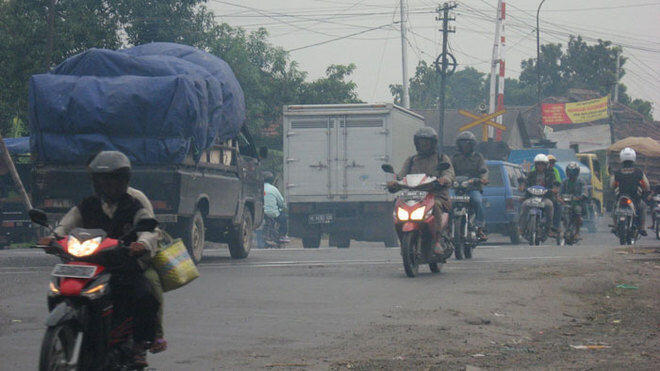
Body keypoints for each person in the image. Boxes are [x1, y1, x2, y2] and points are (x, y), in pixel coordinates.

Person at [37, 151, 163, 367]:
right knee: (59, 284)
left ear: (124, 181)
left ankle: (139, 345)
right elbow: (67, 223)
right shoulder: (87, 204)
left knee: (144, 293)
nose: (108, 185)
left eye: (113, 180)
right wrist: (54, 237)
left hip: (122, 263)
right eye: (102, 180)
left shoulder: (134, 204)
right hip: (90, 261)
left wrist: (141, 243)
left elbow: (150, 228)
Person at [387, 127, 455, 256]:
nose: (424, 144)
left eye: (426, 141)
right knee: (397, 204)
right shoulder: (411, 160)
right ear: (416, 143)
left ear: (433, 143)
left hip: (436, 195)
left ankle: (436, 241)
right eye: (421, 141)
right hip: (413, 196)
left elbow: (449, 173)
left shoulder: (442, 158)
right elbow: (402, 176)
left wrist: (444, 179)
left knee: (435, 205)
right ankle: (403, 241)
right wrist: (395, 182)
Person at [451, 131, 488, 240]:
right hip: (457, 189)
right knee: (447, 203)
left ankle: (480, 227)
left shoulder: (478, 157)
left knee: (477, 201)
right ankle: (445, 228)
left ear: (472, 145)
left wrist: (483, 178)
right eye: (462, 144)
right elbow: (449, 170)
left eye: (467, 144)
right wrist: (446, 179)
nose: (465, 147)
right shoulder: (455, 158)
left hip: (473, 188)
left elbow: (484, 170)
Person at [610, 147, 650, 236]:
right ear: (634, 158)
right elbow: (647, 186)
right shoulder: (639, 172)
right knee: (643, 207)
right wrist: (646, 190)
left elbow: (612, 185)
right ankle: (642, 228)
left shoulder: (617, 172)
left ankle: (615, 226)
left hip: (621, 197)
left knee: (614, 207)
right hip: (635, 199)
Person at [519, 154, 558, 237]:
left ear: (546, 165)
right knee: (524, 205)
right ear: (535, 165)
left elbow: (554, 184)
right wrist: (522, 186)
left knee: (550, 205)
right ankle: (521, 229)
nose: (540, 166)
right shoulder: (531, 174)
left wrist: (554, 189)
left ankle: (548, 229)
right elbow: (525, 183)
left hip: (545, 198)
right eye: (538, 164)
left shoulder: (551, 174)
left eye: (542, 164)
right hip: (531, 198)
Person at [560, 162, 587, 240]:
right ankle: (560, 228)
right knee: (560, 211)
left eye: (573, 172)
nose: (571, 174)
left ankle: (577, 232)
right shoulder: (565, 182)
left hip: (577, 203)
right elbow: (560, 193)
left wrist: (580, 197)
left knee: (577, 211)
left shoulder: (581, 181)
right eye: (570, 172)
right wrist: (559, 198)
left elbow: (584, 192)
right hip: (566, 203)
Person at [263, 171, 288, 243]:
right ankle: (282, 236)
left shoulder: (258, 188)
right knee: (283, 219)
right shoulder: (274, 189)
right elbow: (281, 202)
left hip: (260, 213)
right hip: (273, 214)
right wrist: (283, 206)